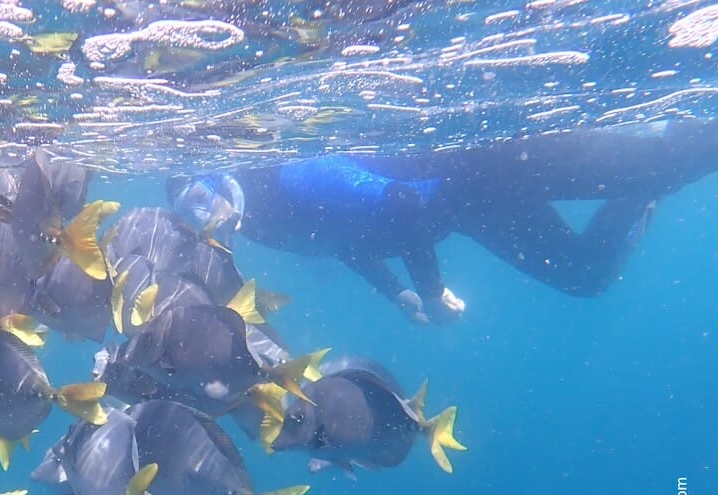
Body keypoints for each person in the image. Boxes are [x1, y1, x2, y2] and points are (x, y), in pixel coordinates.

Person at [170, 120, 717, 324]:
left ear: (216, 174)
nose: (205, 218)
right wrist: (395, 294)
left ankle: (664, 153)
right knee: (586, 277)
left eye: (200, 196)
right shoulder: (255, 223)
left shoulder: (285, 176)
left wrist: (429, 291)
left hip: (498, 160)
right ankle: (646, 187)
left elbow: (403, 205)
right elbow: (338, 240)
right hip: (476, 205)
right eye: (188, 215)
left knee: (671, 161)